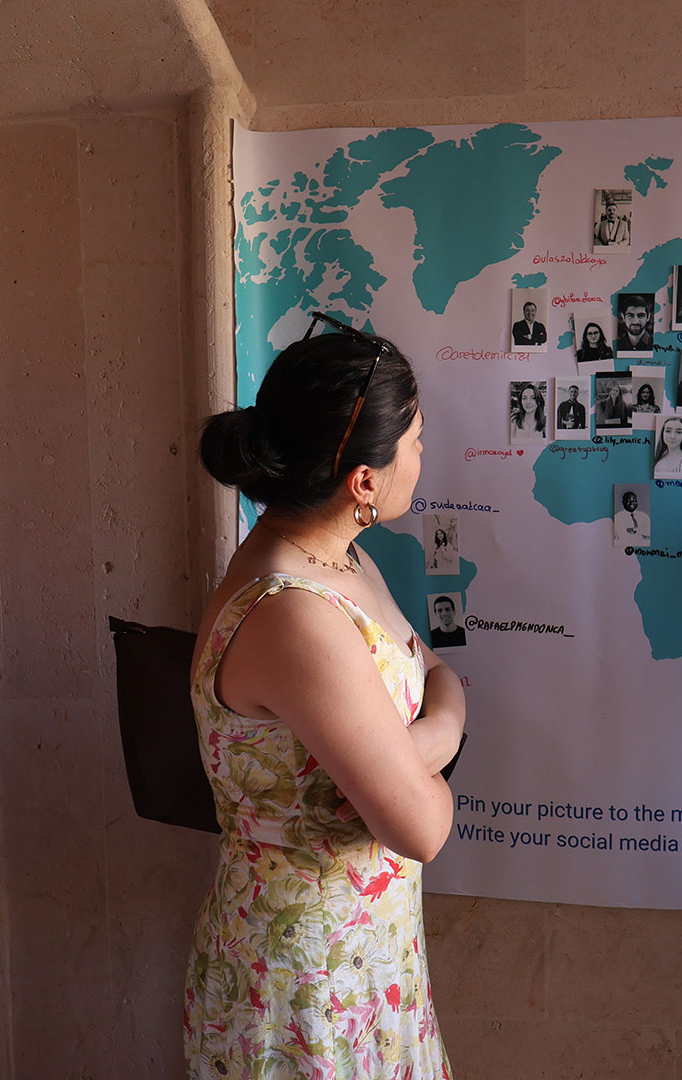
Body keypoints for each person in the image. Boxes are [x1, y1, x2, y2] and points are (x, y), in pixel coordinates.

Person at [191, 314, 461, 1077]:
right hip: (307, 981)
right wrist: (426, 750)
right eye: (415, 442)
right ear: (364, 481)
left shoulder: (342, 563)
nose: (422, 455)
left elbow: (438, 674)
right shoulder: (293, 613)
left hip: (370, 953)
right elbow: (421, 826)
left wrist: (422, 743)